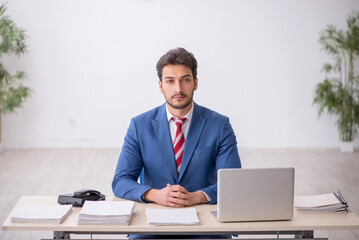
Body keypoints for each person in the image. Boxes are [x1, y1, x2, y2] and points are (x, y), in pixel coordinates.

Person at [112, 47, 241, 239]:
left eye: (185, 80)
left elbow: (233, 184)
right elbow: (120, 181)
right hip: (153, 224)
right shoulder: (140, 125)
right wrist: (154, 194)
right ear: (160, 85)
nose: (178, 89)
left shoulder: (219, 125)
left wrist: (196, 196)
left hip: (204, 225)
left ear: (195, 83)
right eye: (170, 81)